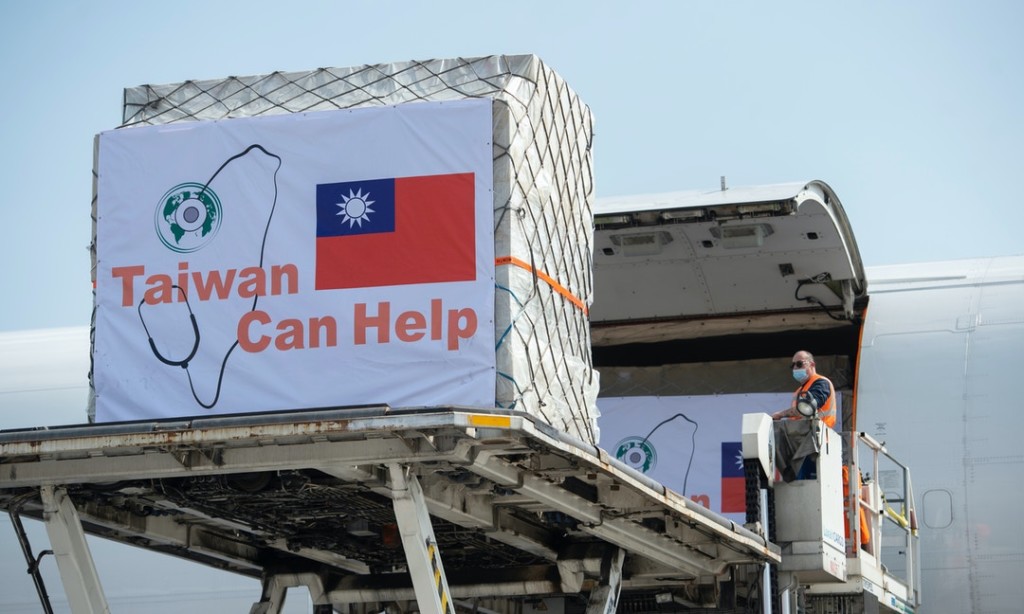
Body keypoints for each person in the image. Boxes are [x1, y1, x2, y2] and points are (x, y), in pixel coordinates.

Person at [772, 350, 836, 428]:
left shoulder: (821, 383)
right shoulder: (799, 391)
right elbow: (798, 416)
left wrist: (781, 414)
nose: (795, 367)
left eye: (799, 364)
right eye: (793, 365)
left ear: (812, 364)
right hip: (802, 432)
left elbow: (808, 407)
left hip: (818, 432)